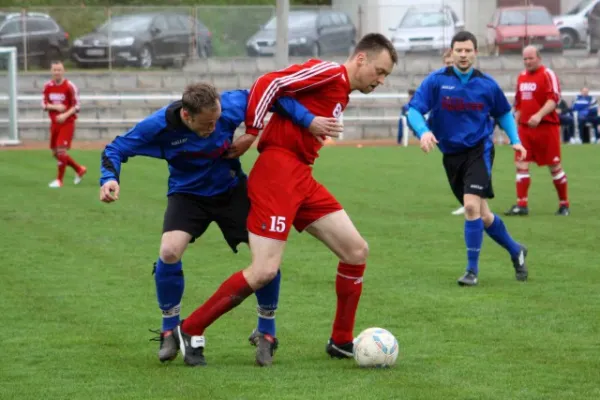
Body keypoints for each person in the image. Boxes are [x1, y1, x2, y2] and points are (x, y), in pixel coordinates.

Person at [172, 33, 398, 367]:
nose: (380, 80)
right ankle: (189, 328)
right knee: (264, 270)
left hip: (300, 176)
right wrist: (252, 131)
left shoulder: (341, 92)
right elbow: (269, 82)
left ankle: (340, 340)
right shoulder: (328, 73)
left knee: (356, 251)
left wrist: (306, 121)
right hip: (277, 172)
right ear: (361, 59)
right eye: (379, 71)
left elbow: (287, 99)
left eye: (386, 76)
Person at [98, 82, 341, 366]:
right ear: (187, 117)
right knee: (169, 251)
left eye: (217, 120)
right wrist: (109, 179)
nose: (214, 128)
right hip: (187, 194)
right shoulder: (158, 126)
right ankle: (169, 329)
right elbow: (115, 148)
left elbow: (274, 95)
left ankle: (266, 330)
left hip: (230, 189)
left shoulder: (231, 104)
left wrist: (305, 121)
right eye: (207, 124)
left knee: (266, 256)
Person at [407, 31, 528, 287]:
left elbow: (504, 113)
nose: (463, 55)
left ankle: (471, 271)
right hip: (450, 155)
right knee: (483, 215)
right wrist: (423, 131)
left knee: (471, 207)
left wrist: (515, 139)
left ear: (475, 53)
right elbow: (415, 110)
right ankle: (516, 250)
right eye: (458, 50)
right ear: (451, 53)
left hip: (479, 150)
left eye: (468, 50)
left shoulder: (487, 85)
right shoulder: (437, 81)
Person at [504, 46, 570, 217]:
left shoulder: (548, 74)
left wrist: (539, 115)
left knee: (554, 166)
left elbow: (554, 99)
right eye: (524, 59)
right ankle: (522, 205)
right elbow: (518, 105)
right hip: (525, 130)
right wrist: (513, 132)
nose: (527, 62)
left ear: (539, 57)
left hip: (546, 128)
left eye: (530, 58)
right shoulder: (521, 76)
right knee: (521, 165)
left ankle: (564, 204)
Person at [42, 60, 87, 188]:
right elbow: (43, 104)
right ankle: (79, 169)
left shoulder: (69, 86)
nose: (57, 72)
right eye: (54, 70)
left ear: (63, 71)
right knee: (56, 153)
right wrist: (56, 107)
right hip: (54, 124)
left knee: (61, 150)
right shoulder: (47, 86)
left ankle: (59, 180)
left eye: (59, 70)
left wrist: (64, 115)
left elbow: (77, 105)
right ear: (51, 71)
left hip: (67, 123)